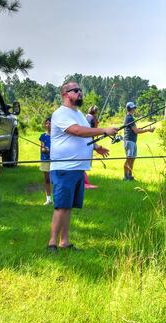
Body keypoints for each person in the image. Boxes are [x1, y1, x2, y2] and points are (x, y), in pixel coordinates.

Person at [47, 81, 117, 251]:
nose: (80, 93)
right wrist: (103, 130)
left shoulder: (78, 114)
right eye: (75, 90)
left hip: (77, 168)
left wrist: (97, 147)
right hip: (64, 168)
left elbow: (85, 136)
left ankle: (65, 242)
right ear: (65, 94)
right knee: (61, 206)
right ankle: (52, 243)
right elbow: (77, 131)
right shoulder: (61, 114)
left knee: (68, 206)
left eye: (80, 90)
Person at [122, 101, 154, 181]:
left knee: (132, 159)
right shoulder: (129, 118)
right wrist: (148, 130)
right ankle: (125, 176)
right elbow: (136, 131)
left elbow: (134, 130)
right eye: (133, 108)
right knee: (129, 159)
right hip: (129, 141)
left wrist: (141, 129)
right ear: (129, 109)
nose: (134, 109)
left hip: (132, 141)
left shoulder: (130, 118)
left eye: (134, 108)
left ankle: (130, 175)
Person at [83, 105, 100, 189]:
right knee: (86, 162)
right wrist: (97, 122)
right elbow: (95, 129)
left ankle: (84, 181)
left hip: (84, 139)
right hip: (90, 140)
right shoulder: (93, 118)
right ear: (95, 111)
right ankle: (84, 182)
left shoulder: (86, 116)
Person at [39, 116, 52, 205]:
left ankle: (57, 198)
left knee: (56, 180)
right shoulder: (43, 136)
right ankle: (48, 199)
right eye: (46, 123)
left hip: (55, 160)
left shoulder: (56, 136)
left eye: (49, 123)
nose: (48, 125)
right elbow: (42, 149)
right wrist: (46, 149)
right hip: (45, 159)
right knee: (47, 180)